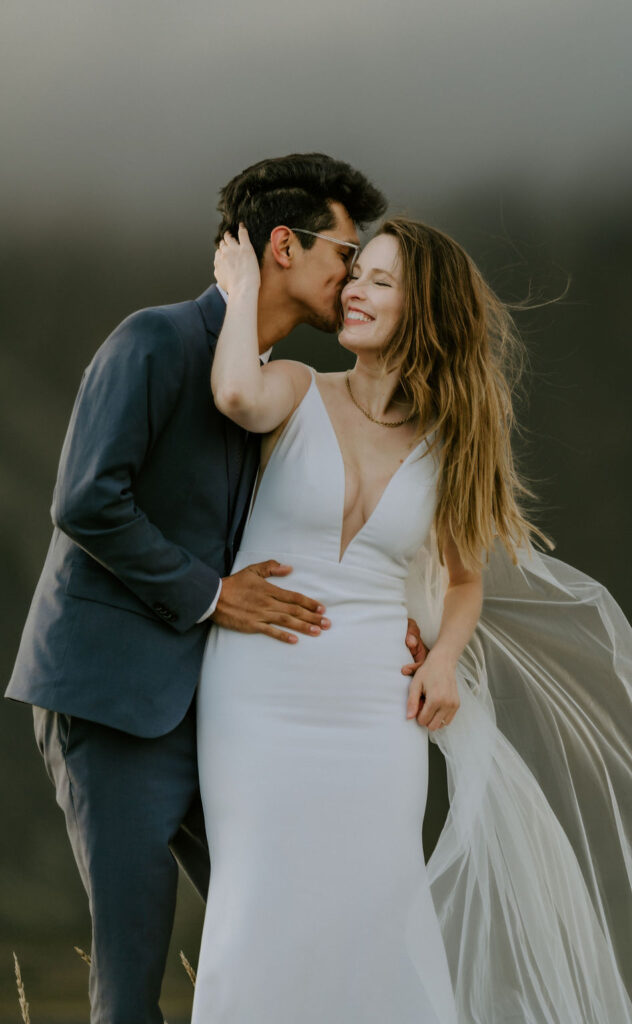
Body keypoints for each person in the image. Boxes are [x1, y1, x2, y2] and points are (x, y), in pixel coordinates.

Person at [191, 218, 632, 1022]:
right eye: (357, 276)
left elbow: (461, 582)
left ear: (424, 311)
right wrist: (241, 292)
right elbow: (235, 393)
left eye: (380, 282)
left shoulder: (451, 444)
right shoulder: (298, 388)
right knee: (253, 906)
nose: (353, 291)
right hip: (258, 694)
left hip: (375, 708)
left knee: (372, 906)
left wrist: (444, 658)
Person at [6, 154, 435, 1024]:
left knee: (287, 920)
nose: (352, 277)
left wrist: (397, 622)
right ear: (285, 246)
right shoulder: (153, 341)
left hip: (219, 715)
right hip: (113, 699)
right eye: (344, 254)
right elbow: (86, 499)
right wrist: (212, 596)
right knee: (131, 974)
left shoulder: (274, 383)